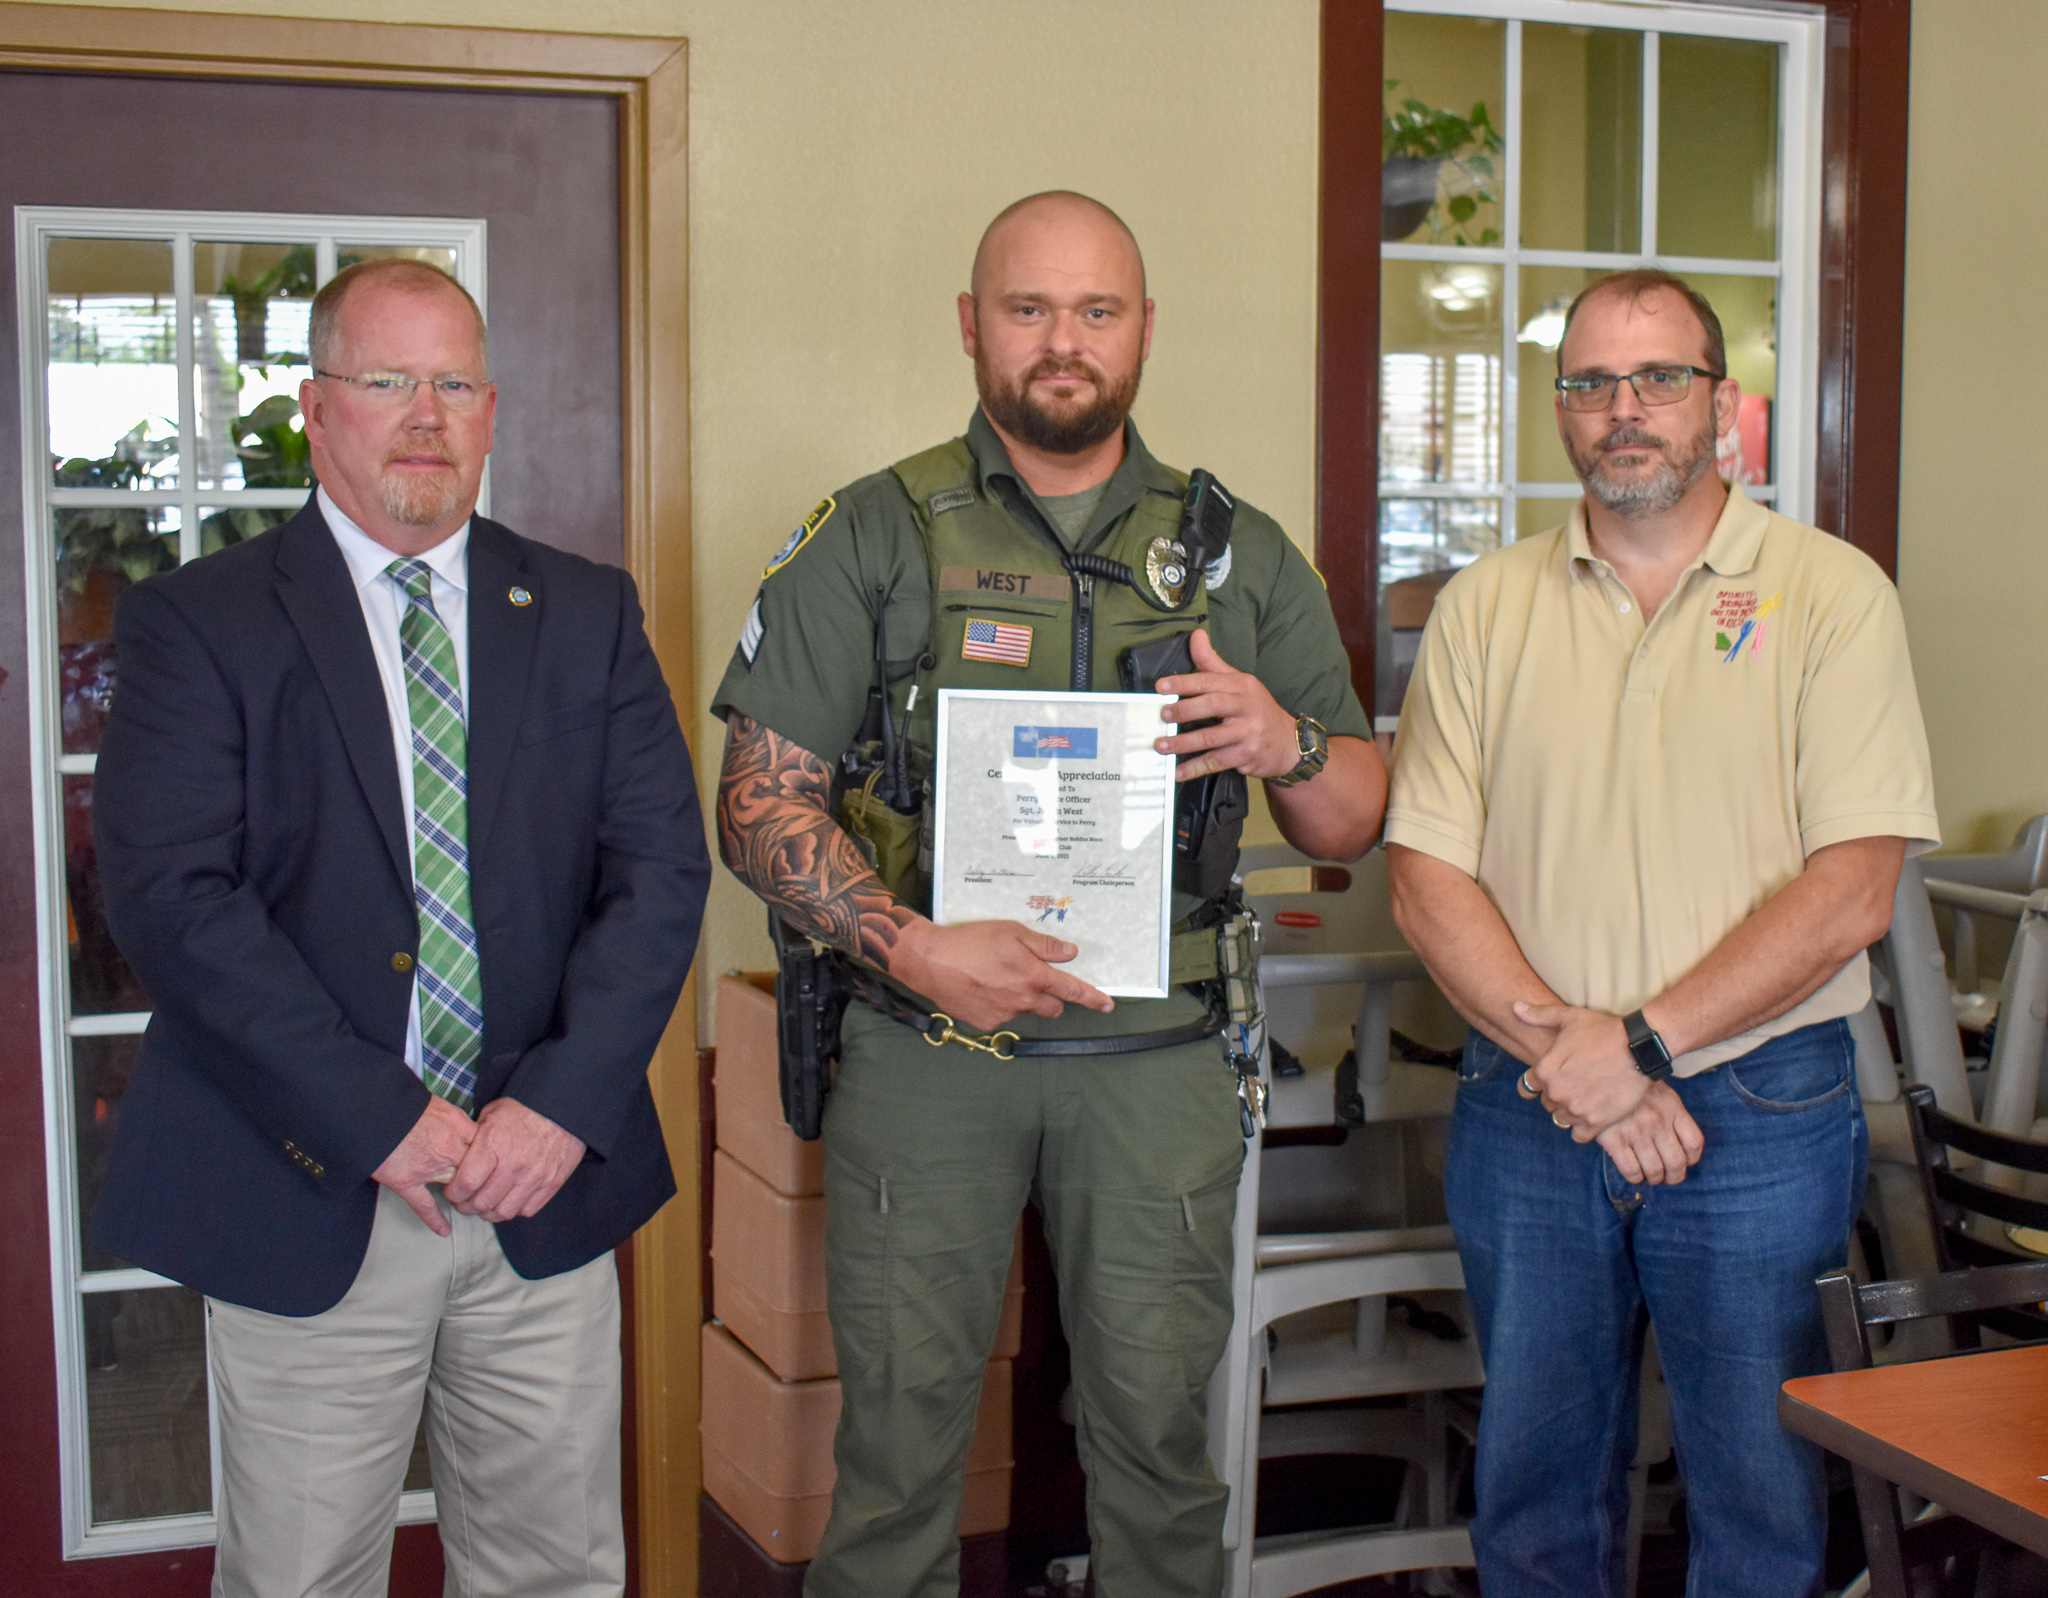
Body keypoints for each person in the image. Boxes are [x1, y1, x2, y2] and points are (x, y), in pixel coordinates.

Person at [713, 191, 1386, 1597]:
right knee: (898, 1452)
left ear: (1143, 331)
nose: (1062, 342)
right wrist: (908, 945)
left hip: (1158, 1064)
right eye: (1029, 309)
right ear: (973, 326)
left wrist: (1286, 741)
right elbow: (758, 802)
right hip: (928, 1051)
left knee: (1156, 1452)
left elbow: (1353, 817)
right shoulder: (873, 533)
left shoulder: (1242, 552)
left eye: (1097, 310)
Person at [90, 257, 709, 1597]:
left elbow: (660, 869)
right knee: (303, 1575)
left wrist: (559, 1106)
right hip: (311, 1178)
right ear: (316, 408)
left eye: (452, 383)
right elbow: (174, 897)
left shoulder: (587, 613)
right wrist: (380, 1114)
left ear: (491, 412)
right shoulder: (199, 622)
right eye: (386, 381)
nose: (423, 414)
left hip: (541, 1184)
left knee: (554, 1569)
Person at [1385, 269, 1939, 1597]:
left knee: (1757, 1490)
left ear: (1722, 404)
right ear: (1560, 411)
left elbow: (1854, 888)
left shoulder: (1834, 597)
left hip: (1761, 1101)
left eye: (1658, 379)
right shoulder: (1483, 610)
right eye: (1589, 382)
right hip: (1531, 1106)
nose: (1622, 409)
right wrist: (1583, 1063)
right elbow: (1423, 880)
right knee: (1532, 1486)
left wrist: (1634, 1044)